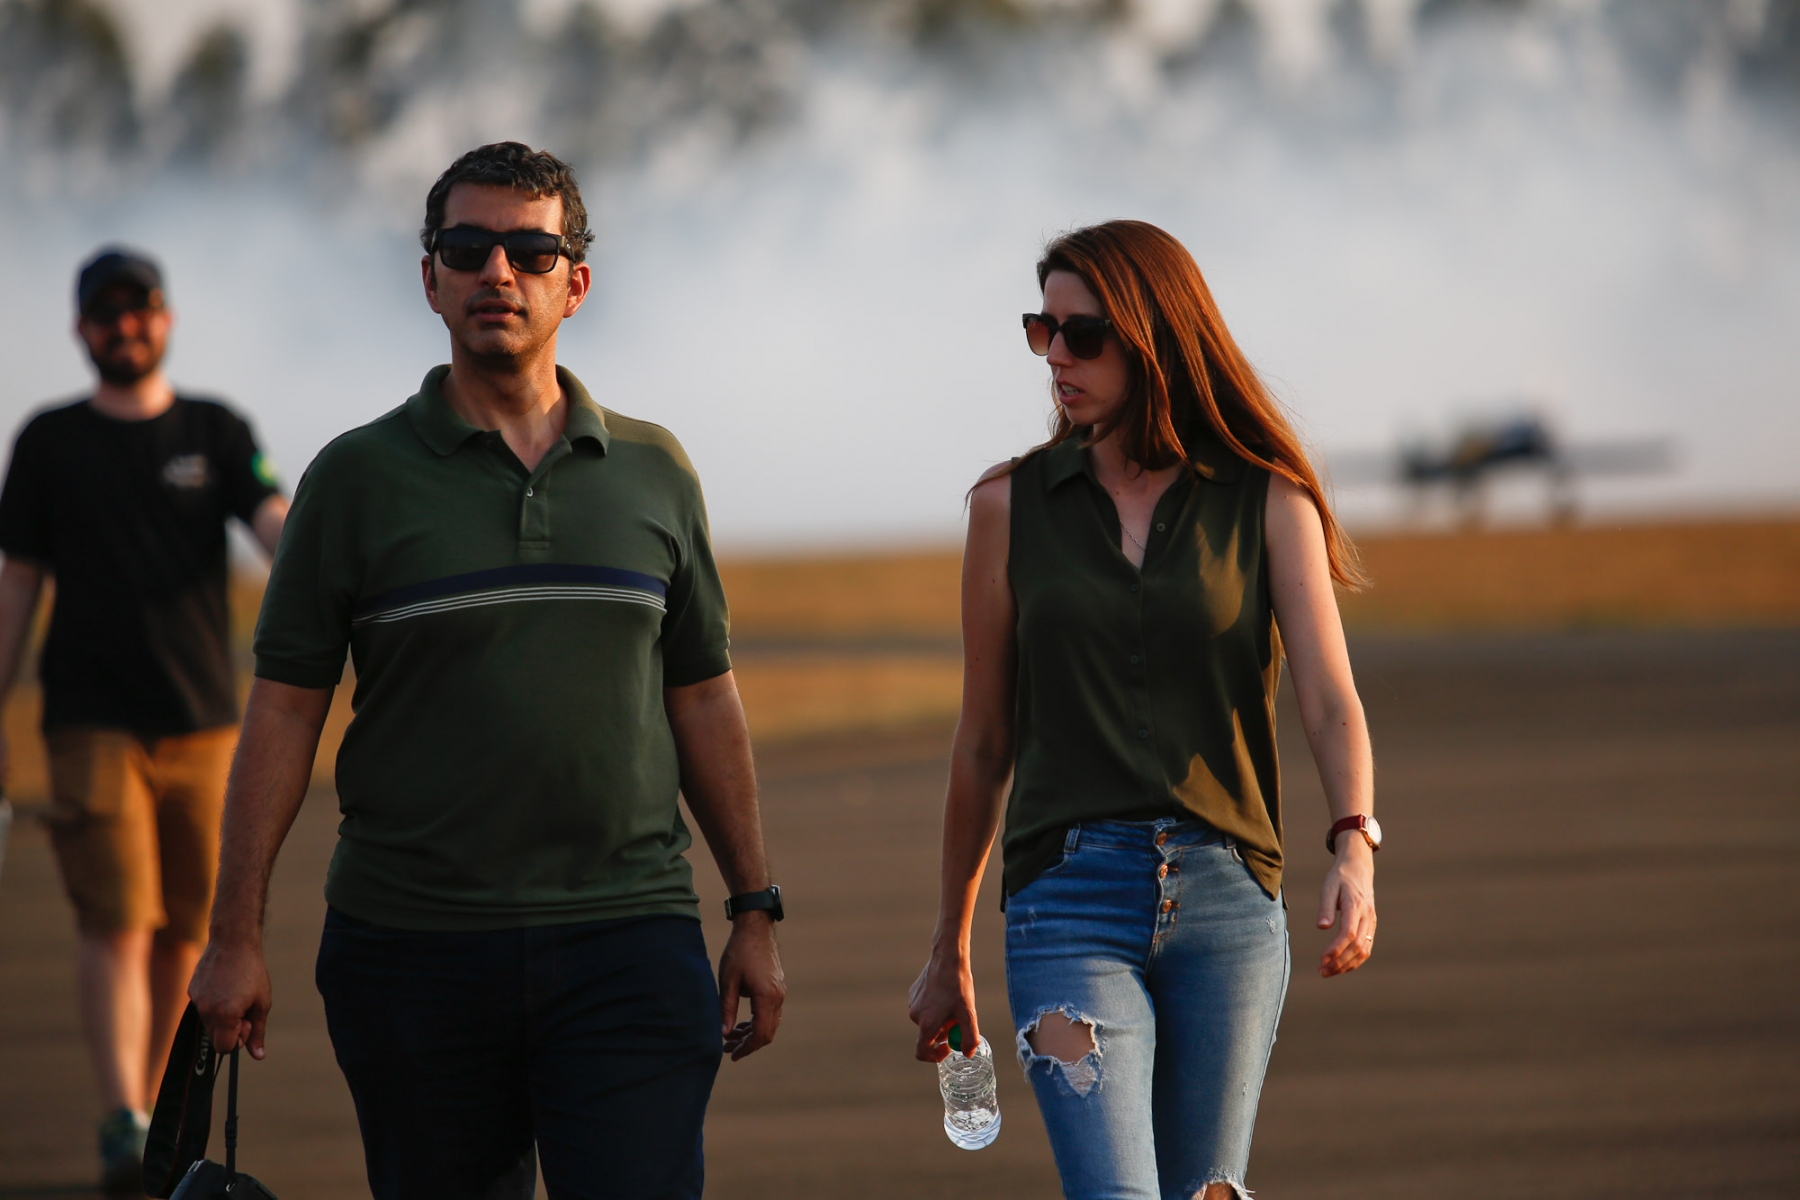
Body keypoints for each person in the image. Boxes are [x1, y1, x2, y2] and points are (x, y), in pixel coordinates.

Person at [187, 141, 786, 1200]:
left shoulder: (654, 471)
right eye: (466, 249)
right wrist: (235, 937)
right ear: (430, 279)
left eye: (529, 251)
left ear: (575, 283)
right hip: (411, 952)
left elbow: (701, 695)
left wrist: (752, 909)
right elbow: (282, 712)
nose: (496, 272)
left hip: (628, 938)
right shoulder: (354, 480)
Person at [908, 220, 1379, 1200]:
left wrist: (1355, 845)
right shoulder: (1007, 508)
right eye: (1042, 331)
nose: (1056, 357)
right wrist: (949, 946)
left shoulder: (1267, 501)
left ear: (1155, 337)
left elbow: (1331, 699)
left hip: (1228, 899)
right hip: (1065, 901)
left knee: (1205, 1192)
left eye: (1083, 335)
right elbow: (984, 742)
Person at [0, 247, 288, 1192]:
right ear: (81, 328)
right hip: (90, 723)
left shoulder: (215, 430)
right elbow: (17, 584)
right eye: (107, 313)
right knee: (116, 918)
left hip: (204, 724)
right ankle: (123, 1117)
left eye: (140, 309)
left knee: (183, 928)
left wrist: (333, 558)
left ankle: (161, 1117)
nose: (125, 326)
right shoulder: (49, 442)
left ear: (165, 319)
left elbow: (276, 526)